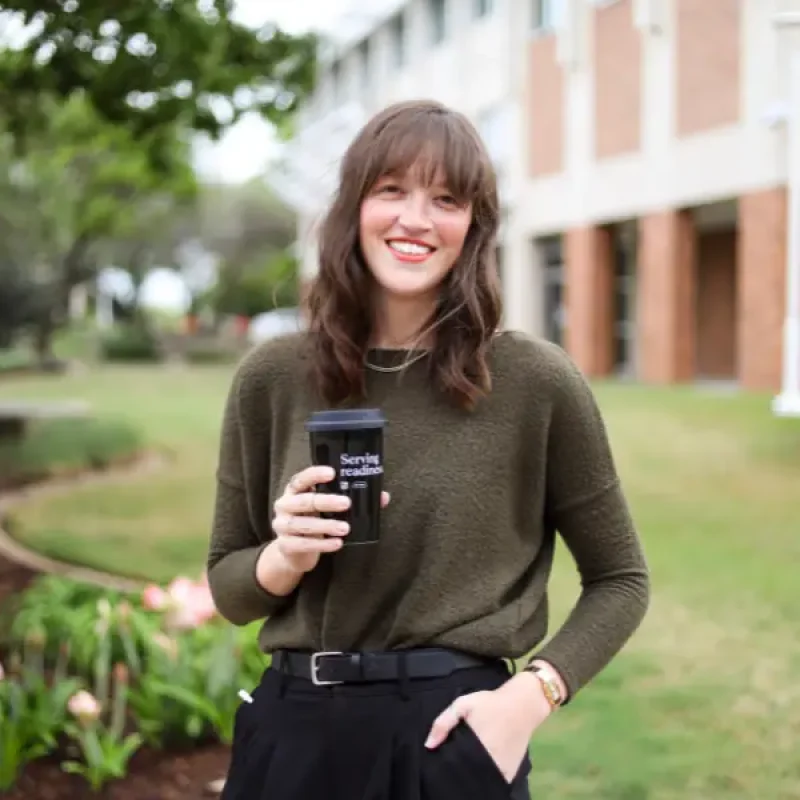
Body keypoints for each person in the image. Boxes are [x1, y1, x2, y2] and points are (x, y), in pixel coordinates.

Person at [207, 99, 650, 800]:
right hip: (294, 736)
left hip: (451, 735)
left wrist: (532, 696)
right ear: (353, 208)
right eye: (392, 191)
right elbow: (228, 589)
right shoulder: (273, 376)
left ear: (474, 225)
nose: (416, 219)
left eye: (446, 199)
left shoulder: (534, 381)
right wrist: (283, 557)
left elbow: (621, 578)